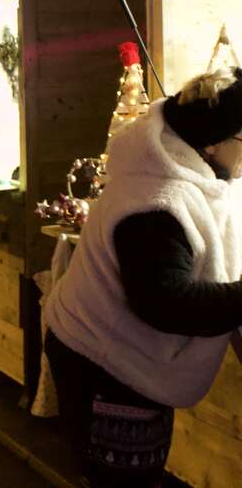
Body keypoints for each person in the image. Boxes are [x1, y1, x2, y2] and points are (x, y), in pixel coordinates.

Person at [45, 66, 242, 488]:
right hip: (103, 361)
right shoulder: (158, 204)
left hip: (115, 352)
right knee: (122, 477)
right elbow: (164, 302)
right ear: (213, 144)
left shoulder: (175, 175)